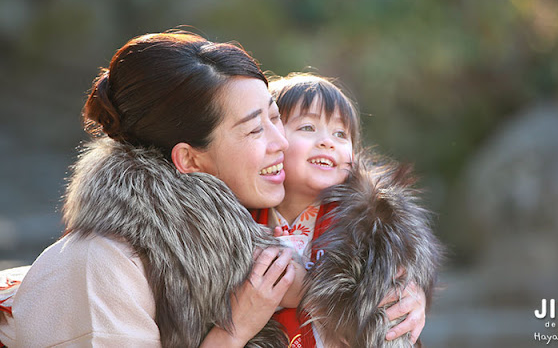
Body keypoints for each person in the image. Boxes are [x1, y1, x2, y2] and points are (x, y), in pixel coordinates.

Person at [0, 31, 302, 347]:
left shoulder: (282, 223)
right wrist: (233, 332)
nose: (282, 142)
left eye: (274, 115)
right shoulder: (101, 265)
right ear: (188, 158)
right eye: (255, 130)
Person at [251, 73, 442, 347]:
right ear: (273, 137)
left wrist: (306, 291)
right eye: (308, 127)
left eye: (341, 134)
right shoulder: (243, 215)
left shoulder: (369, 226)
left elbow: (386, 301)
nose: (327, 141)